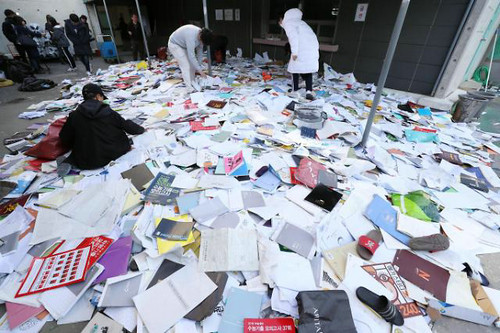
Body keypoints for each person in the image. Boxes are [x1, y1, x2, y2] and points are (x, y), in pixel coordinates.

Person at [59, 83, 145, 170]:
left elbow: (64, 137)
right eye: (102, 97)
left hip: (86, 161)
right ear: (97, 96)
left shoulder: (74, 115)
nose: (102, 100)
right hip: (112, 154)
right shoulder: (107, 111)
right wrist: (141, 129)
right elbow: (127, 126)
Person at [279, 8, 319, 101]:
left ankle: (295, 90)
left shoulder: (289, 24)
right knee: (308, 70)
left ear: (283, 19)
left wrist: (295, 52)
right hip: (311, 51)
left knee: (294, 70)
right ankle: (309, 91)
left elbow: (293, 38)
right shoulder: (302, 23)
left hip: (301, 50)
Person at [168, 25, 213, 91]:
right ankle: (189, 88)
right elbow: (191, 56)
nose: (201, 43)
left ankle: (193, 83)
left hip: (184, 45)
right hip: (175, 44)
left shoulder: (202, 37)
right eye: (201, 41)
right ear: (200, 35)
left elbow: (200, 53)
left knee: (192, 65)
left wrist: (199, 66)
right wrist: (200, 71)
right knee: (185, 65)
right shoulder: (191, 36)